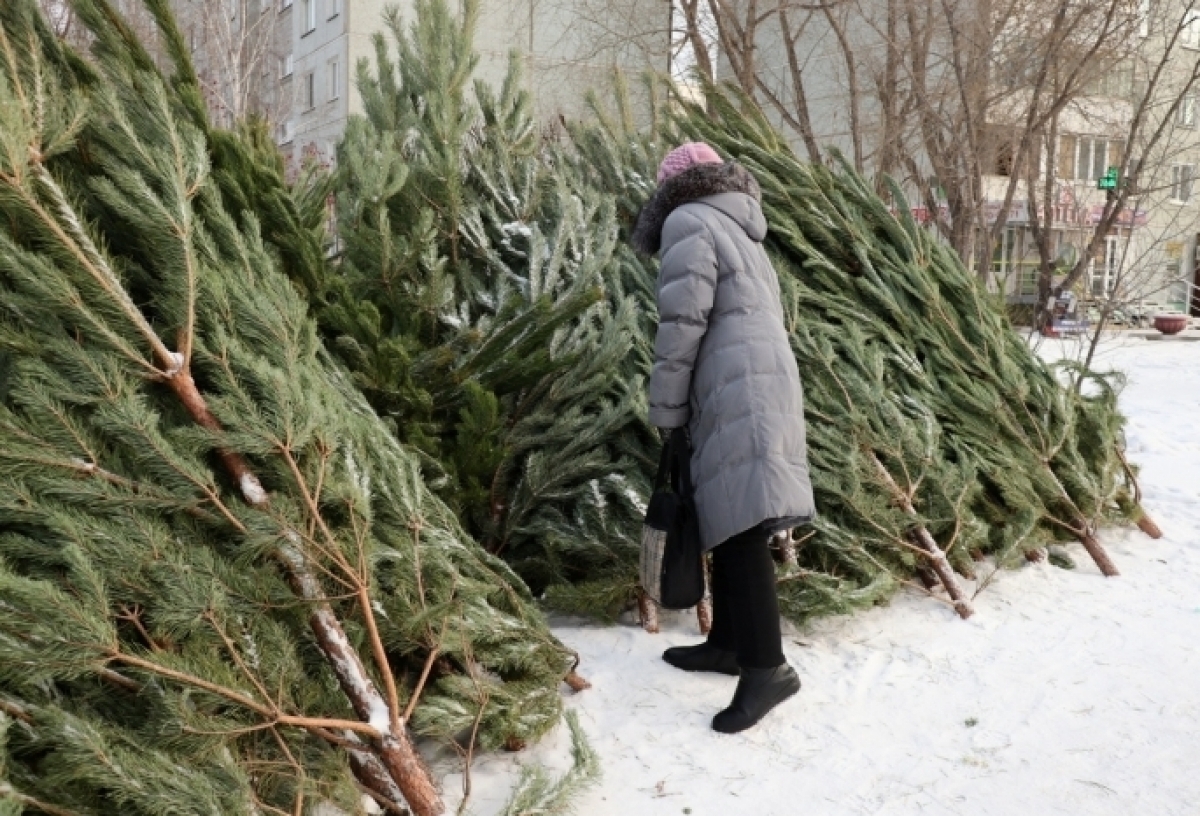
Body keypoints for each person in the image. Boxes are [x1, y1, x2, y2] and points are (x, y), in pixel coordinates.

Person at [632, 142, 815, 734]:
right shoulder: (739, 222)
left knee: (740, 529)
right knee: (736, 518)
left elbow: (682, 325)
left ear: (673, 189)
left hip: (736, 387)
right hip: (757, 383)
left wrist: (667, 410)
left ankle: (768, 668)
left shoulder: (689, 220)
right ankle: (732, 645)